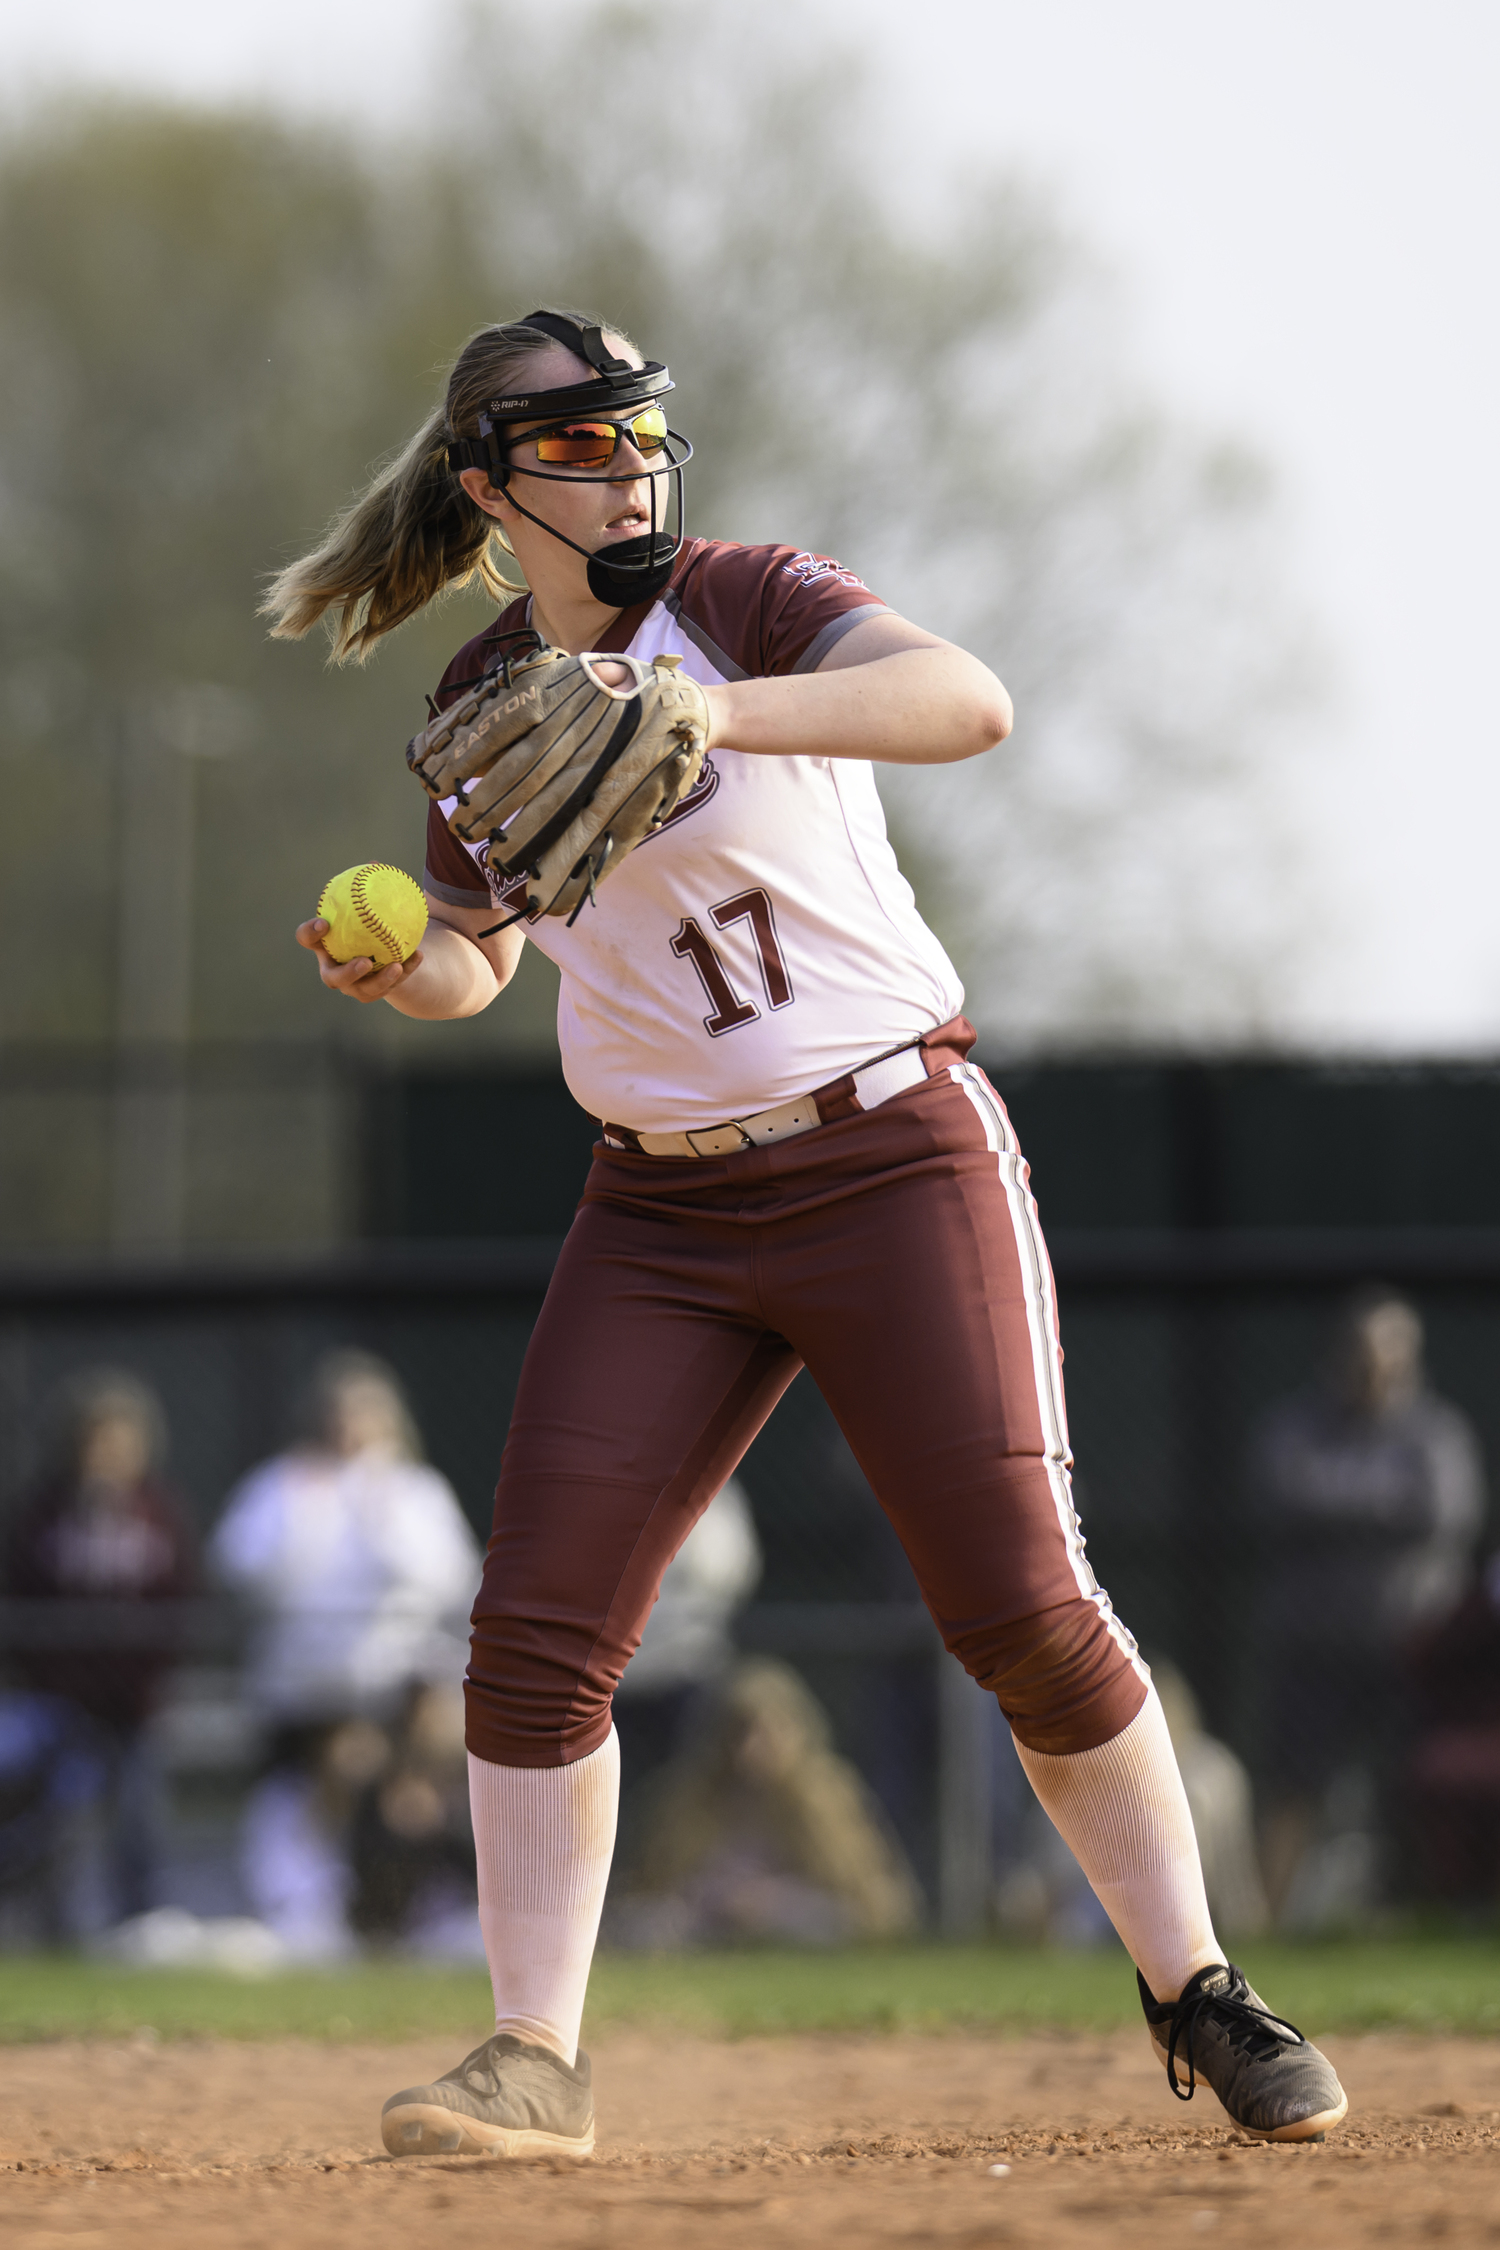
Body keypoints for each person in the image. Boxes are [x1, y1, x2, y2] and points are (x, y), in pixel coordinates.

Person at [265, 307, 1346, 2153]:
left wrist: (708, 704)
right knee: (533, 1631)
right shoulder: (472, 701)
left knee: (1016, 1600)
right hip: (657, 1204)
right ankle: (534, 2055)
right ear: (486, 488)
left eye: (641, 438)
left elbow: (969, 703)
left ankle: (1200, 1987)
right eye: (583, 449)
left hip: (886, 1148)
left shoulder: (745, 603)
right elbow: (482, 955)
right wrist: (408, 963)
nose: (630, 473)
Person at [209, 1348, 481, 1955]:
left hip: (399, 1694)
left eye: (364, 1415)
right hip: (303, 1695)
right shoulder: (281, 1485)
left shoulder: (415, 1491)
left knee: (405, 1807)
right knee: (305, 1809)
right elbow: (242, 1566)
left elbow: (446, 1576)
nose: (349, 1430)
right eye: (338, 1414)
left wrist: (379, 1511)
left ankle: (418, 1914)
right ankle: (308, 1915)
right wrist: (308, 1516)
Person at [1248, 1288, 1484, 1919]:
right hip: (1314, 1649)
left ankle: (1406, 1915)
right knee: (1290, 1786)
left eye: (1388, 1351)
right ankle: (1265, 1927)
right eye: (1362, 1350)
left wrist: (1338, 1505)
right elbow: (1282, 1494)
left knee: (1406, 1791)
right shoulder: (1297, 1424)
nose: (1373, 1365)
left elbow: (1444, 1513)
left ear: (1411, 1355)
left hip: (1409, 1651)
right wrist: (1385, 1504)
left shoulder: (1439, 1433)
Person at [3, 1367, 197, 1931]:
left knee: (139, 1818)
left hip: (136, 1705)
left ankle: (138, 1926)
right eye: (96, 1440)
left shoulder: (161, 1514)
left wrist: (136, 1684)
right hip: (59, 1705)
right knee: (56, 1819)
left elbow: (179, 1603)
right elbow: (23, 1604)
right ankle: (53, 1928)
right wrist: (64, 1684)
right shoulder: (41, 1515)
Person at [610, 1657, 921, 1947]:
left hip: (799, 1933)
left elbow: (880, 1911)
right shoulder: (684, 1800)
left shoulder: (827, 1801)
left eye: (767, 1733)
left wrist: (775, 1904)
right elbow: (641, 1897)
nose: (751, 1750)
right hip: (702, 1935)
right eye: (738, 1734)